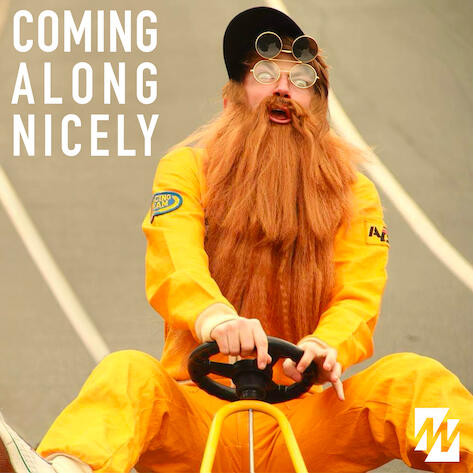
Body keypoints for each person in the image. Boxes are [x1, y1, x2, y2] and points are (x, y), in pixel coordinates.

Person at [1, 6, 471, 473]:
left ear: (318, 107)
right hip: (197, 416)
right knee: (128, 373)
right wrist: (216, 319)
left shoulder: (354, 195)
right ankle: (66, 468)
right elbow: (175, 260)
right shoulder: (187, 171)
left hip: (304, 423)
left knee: (412, 382)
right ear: (231, 102)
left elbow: (359, 296)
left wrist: (327, 345)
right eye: (264, 74)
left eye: (301, 78)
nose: (283, 88)